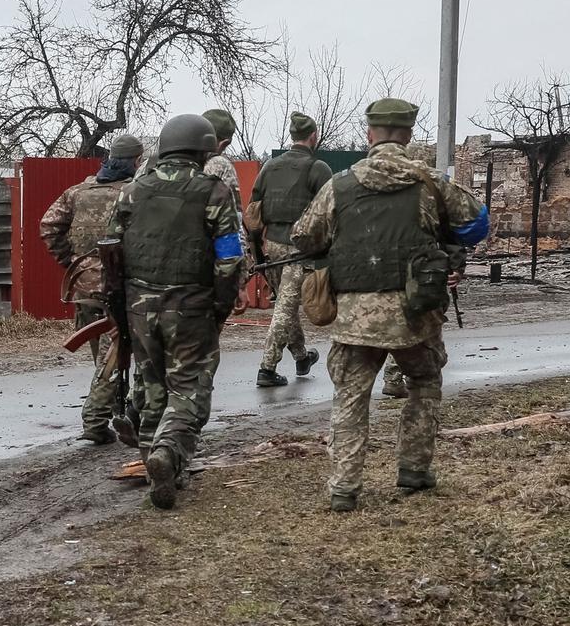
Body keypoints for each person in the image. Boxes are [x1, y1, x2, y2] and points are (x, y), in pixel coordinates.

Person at [292, 99, 488, 512]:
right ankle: (414, 469)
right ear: (409, 135)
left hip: (355, 318)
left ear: (369, 135)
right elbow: (477, 222)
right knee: (423, 381)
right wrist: (446, 239)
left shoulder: (338, 186)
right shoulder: (431, 182)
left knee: (350, 396)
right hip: (416, 314)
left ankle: (344, 487)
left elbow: (305, 237)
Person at [106, 112, 246, 510]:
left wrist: (121, 308)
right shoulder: (213, 191)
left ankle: (157, 470)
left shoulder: (132, 191)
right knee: (188, 388)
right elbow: (229, 258)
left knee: (151, 387)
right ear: (202, 150)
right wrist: (221, 303)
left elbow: (111, 250)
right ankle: (168, 452)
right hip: (191, 306)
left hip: (138, 306)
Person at [37, 132, 143, 444]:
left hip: (83, 284)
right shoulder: (134, 193)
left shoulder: (77, 192)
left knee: (103, 353)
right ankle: (96, 420)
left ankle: (114, 411)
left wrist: (70, 260)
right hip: (118, 284)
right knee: (114, 354)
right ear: (136, 161)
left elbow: (48, 226)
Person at [246, 113, 330, 387]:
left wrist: (258, 253)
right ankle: (266, 368)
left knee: (287, 303)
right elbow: (329, 213)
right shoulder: (318, 169)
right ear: (313, 136)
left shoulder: (270, 167)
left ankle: (302, 356)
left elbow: (254, 213)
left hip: (272, 247)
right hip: (300, 250)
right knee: (284, 307)